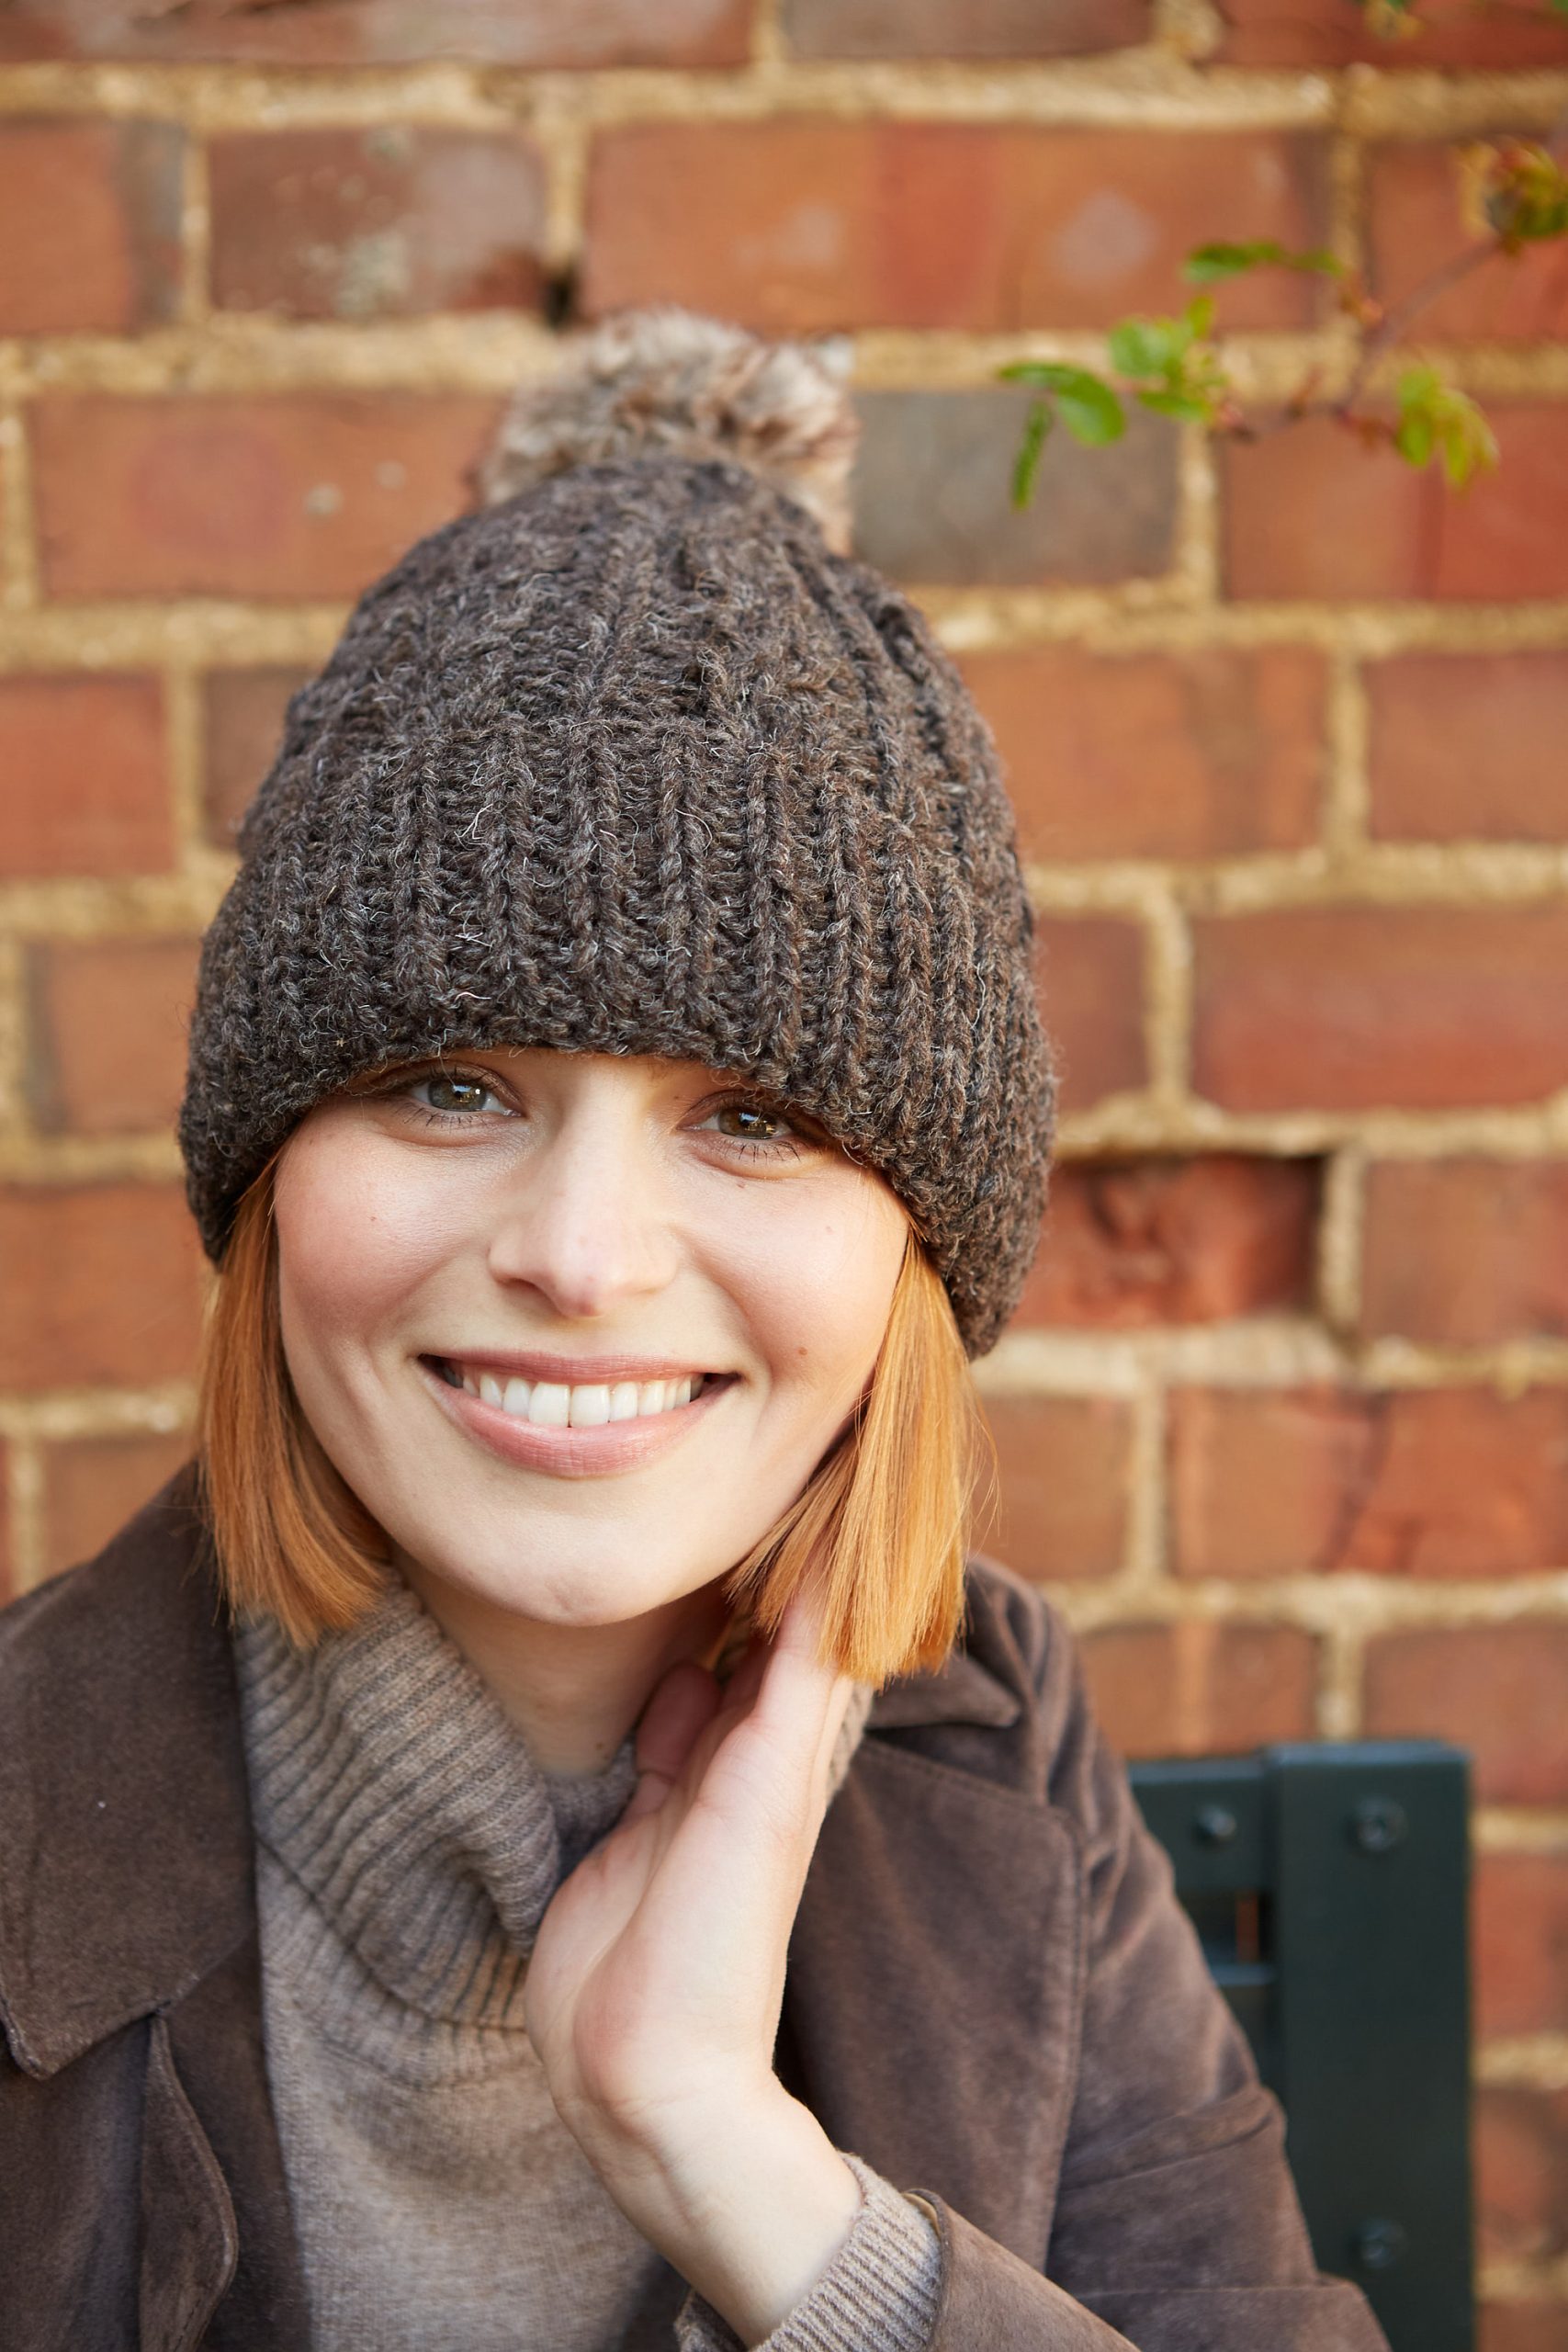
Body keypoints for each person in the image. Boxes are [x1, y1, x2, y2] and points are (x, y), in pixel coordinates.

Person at [0, 312, 1387, 2352]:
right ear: (273, 1175)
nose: (580, 1252)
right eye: (450, 1083)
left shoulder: (993, 1742)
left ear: (911, 1248)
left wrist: (749, 2182)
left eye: (751, 1116)